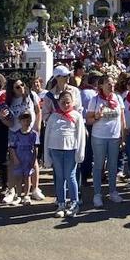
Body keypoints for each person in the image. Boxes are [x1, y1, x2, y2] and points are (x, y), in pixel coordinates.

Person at [43, 89, 85, 218]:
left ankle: (74, 202)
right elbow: (47, 136)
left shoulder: (76, 116)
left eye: (68, 102)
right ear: (58, 102)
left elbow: (81, 135)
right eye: (63, 102)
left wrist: (80, 153)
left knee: (70, 176)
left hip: (70, 150)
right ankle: (61, 202)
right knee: (59, 177)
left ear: (72, 102)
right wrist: (46, 155)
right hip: (55, 150)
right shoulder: (53, 116)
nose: (65, 105)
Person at [85, 74, 125, 207]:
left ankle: (113, 191)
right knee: (98, 165)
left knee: (113, 165)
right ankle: (97, 194)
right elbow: (88, 120)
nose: (111, 84)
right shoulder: (95, 100)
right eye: (108, 82)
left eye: (113, 82)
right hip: (99, 137)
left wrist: (123, 136)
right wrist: (96, 116)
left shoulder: (118, 98)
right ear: (101, 85)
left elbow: (122, 119)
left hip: (114, 137)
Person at [4, 111, 40, 205]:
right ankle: (19, 195)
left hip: (28, 158)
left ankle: (26, 195)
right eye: (24, 120)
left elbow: (36, 149)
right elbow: (12, 148)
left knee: (27, 177)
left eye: (28, 120)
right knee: (18, 177)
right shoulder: (15, 134)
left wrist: (33, 160)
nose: (26, 122)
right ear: (20, 121)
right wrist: (15, 159)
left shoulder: (34, 134)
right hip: (19, 158)